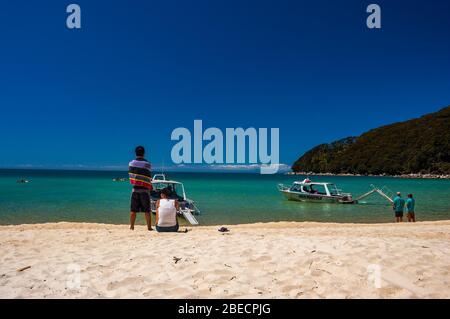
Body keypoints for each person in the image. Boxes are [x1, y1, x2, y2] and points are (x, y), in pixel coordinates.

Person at [128, 146, 153, 231]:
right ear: (144, 153)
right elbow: (147, 176)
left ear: (135, 153)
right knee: (147, 210)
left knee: (133, 210)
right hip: (145, 189)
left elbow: (132, 175)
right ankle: (149, 227)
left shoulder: (131, 163)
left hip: (135, 189)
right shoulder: (148, 164)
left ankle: (132, 227)